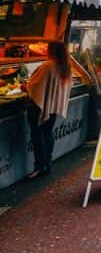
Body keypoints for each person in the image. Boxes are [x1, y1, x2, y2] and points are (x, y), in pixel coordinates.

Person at [21, 42, 73, 179]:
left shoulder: (48, 65)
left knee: (37, 136)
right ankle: (47, 163)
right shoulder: (65, 66)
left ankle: (39, 167)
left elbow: (35, 86)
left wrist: (25, 87)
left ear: (51, 51)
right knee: (47, 134)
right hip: (52, 107)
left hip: (39, 107)